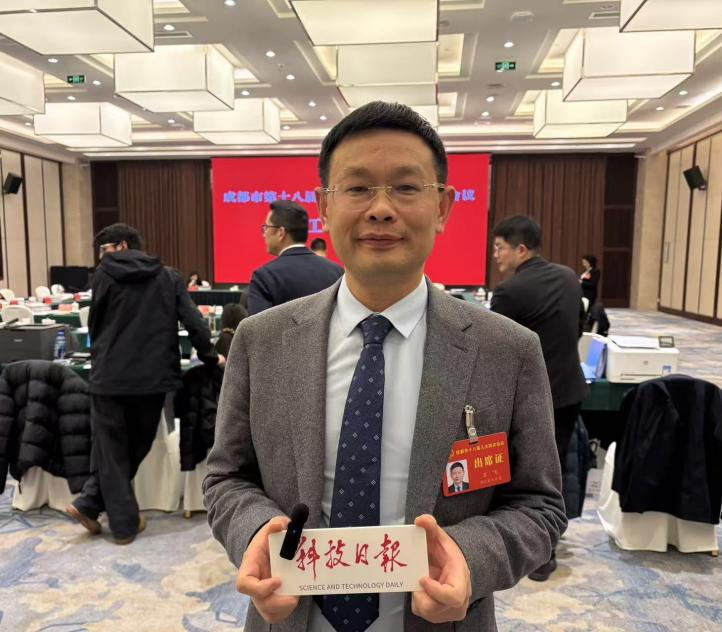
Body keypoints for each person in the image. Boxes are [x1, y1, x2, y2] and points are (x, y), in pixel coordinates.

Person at [204, 101, 566, 632]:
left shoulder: (507, 350)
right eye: (357, 188)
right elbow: (227, 478)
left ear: (442, 207)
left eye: (405, 187)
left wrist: (468, 557)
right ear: (324, 207)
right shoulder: (263, 342)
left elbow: (539, 505)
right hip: (289, 619)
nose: (380, 209)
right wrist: (257, 533)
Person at [66, 223, 224, 545]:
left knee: (113, 450)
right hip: (153, 380)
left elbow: (95, 324)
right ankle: (109, 514)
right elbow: (193, 321)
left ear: (122, 246)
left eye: (104, 250)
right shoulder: (168, 276)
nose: (101, 257)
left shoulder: (103, 276)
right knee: (136, 445)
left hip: (109, 377)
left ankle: (100, 509)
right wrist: (210, 357)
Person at [490, 215, 587, 582]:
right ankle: (548, 546)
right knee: (555, 469)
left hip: (532, 397)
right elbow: (577, 329)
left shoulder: (510, 291)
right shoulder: (569, 277)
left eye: (499, 248)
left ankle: (537, 552)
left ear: (521, 249)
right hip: (570, 389)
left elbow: (493, 350)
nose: (496, 255)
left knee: (527, 475)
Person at [248, 200, 344, 315]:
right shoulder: (337, 272)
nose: (264, 234)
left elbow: (258, 325)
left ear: (281, 232)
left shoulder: (264, 277)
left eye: (266, 227)